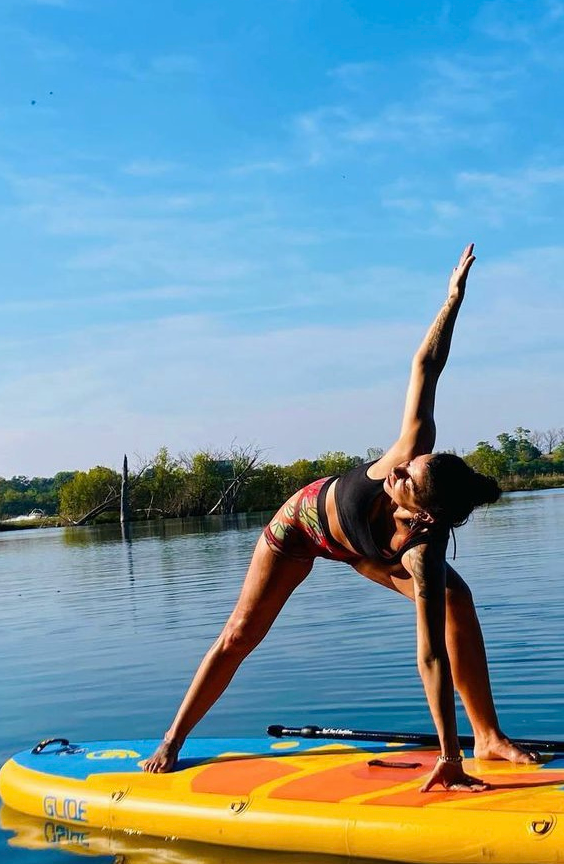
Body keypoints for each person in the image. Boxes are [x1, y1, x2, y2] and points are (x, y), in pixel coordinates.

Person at [141, 244, 535, 790]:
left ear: (423, 515)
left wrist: (450, 754)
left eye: (406, 480)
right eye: (407, 466)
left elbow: (430, 656)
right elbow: (426, 365)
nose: (394, 471)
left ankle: (484, 737)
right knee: (239, 633)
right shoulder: (410, 452)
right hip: (300, 529)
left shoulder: (424, 551)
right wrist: (453, 300)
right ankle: (172, 739)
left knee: (454, 601)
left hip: (360, 549)